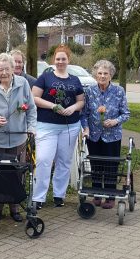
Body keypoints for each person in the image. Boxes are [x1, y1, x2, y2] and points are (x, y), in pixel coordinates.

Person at [0, 53, 37, 222]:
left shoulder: (23, 84)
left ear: (13, 69)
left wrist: (31, 128)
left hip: (18, 138)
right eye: (0, 69)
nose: (4, 72)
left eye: (7, 69)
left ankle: (15, 207)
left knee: (16, 173)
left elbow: (31, 108)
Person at [31, 44, 85, 209]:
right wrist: (52, 106)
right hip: (46, 126)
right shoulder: (45, 77)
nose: (60, 61)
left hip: (69, 127)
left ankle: (58, 195)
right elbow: (34, 98)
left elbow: (81, 101)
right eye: (58, 59)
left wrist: (73, 108)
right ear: (53, 60)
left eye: (64, 58)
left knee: (64, 161)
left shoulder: (75, 80)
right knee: (43, 160)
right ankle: (38, 197)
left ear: (68, 60)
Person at [81, 60, 130, 209]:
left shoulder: (119, 91)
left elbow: (126, 114)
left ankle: (110, 196)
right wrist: (86, 128)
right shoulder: (89, 91)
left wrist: (115, 121)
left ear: (111, 75)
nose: (102, 76)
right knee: (96, 164)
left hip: (112, 136)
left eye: (105, 73)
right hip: (94, 136)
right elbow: (84, 114)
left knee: (110, 165)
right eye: (100, 73)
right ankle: (96, 194)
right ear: (95, 74)